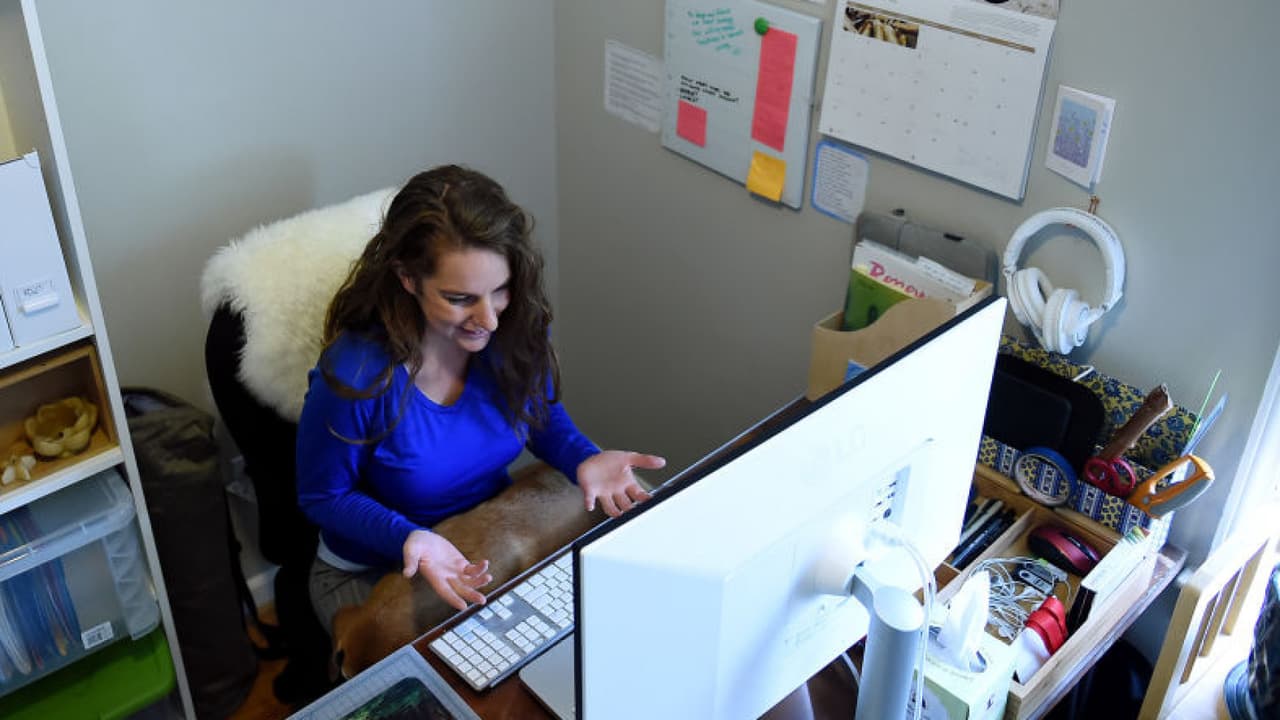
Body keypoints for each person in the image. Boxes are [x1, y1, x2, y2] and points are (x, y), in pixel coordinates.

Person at [296, 165, 665, 633]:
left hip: (480, 534)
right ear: (407, 278)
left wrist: (583, 458)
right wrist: (409, 537)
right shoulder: (357, 376)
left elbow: (538, 415)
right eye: (460, 298)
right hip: (373, 567)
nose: (488, 319)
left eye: (500, 290)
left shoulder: (514, 329)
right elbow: (323, 497)